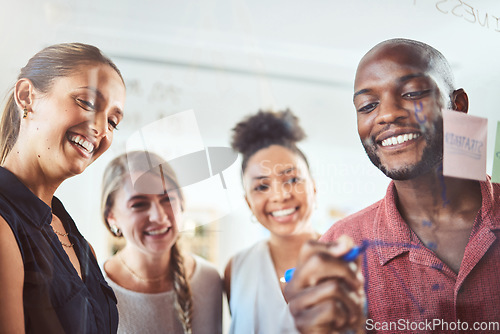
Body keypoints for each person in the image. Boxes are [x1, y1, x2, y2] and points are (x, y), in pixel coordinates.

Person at [285, 38, 500, 333]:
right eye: (368, 105)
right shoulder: (341, 248)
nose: (386, 114)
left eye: (412, 93)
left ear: (457, 106)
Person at [0, 43, 126, 333]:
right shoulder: (5, 223)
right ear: (26, 96)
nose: (102, 130)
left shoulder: (83, 247)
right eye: (87, 102)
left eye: (113, 121)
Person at [224, 110, 358, 333]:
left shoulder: (345, 261)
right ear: (248, 201)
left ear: (313, 187)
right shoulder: (235, 269)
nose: (280, 196)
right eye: (262, 186)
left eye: (293, 179)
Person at [101, 151, 222, 334]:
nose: (159, 217)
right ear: (111, 216)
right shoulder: (94, 288)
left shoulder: (209, 279)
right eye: (139, 204)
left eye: (167, 200)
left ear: (181, 203)